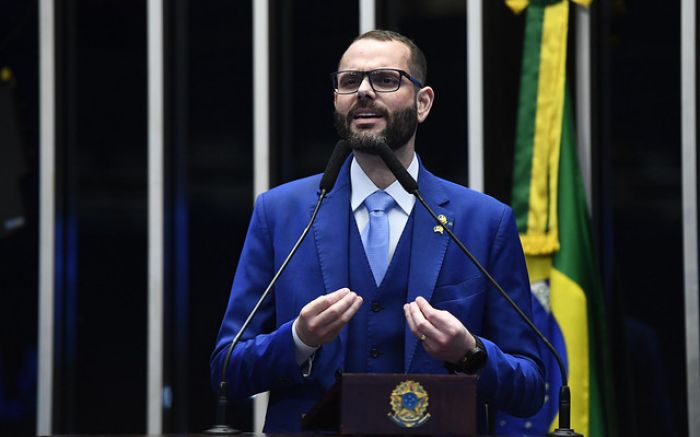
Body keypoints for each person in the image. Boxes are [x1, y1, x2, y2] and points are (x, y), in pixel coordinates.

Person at [210, 29, 545, 434]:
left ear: (423, 103)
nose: (364, 92)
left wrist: (470, 353)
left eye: (386, 79)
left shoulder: (485, 222)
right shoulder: (281, 213)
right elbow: (226, 370)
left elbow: (531, 388)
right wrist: (299, 339)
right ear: (336, 100)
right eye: (350, 81)